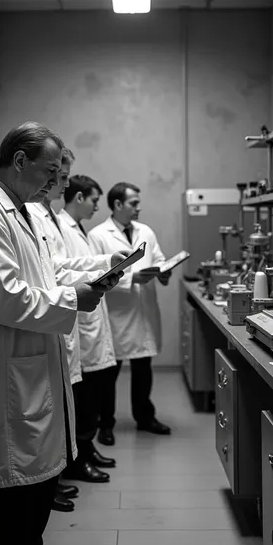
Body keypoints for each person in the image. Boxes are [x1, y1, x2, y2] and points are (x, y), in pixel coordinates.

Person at [0, 122, 114, 545]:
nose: (52, 181)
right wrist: (72, 300)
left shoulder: (21, 212)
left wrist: (89, 282)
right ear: (19, 161)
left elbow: (44, 275)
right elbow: (4, 298)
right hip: (2, 373)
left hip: (32, 365)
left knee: (35, 482)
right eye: (48, 170)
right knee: (5, 489)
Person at [28, 153, 127, 495]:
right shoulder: (37, 217)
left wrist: (103, 265)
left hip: (68, 316)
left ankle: (73, 459)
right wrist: (97, 270)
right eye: (60, 175)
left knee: (80, 403)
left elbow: (60, 266)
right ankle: (58, 474)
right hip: (54, 321)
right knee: (64, 409)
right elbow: (49, 273)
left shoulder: (51, 217)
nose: (66, 184)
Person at [89, 181, 172, 445]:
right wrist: (131, 279)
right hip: (116, 314)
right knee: (109, 374)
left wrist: (164, 270)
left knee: (143, 369)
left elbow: (158, 258)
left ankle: (145, 418)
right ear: (117, 205)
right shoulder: (98, 235)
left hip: (143, 310)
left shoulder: (145, 231)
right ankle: (106, 424)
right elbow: (95, 275)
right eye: (134, 203)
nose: (139, 207)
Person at [58, 175, 122, 481]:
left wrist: (106, 267)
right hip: (76, 319)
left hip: (88, 317)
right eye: (95, 199)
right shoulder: (59, 226)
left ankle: (87, 448)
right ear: (80, 197)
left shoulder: (76, 228)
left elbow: (77, 264)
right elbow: (65, 269)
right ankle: (79, 455)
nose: (99, 205)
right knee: (83, 398)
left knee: (92, 395)